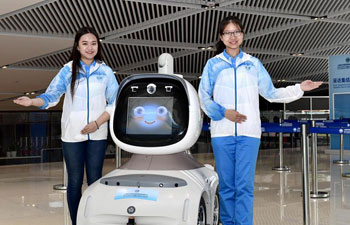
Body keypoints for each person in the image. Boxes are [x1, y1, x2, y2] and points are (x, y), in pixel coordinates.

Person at [198, 16, 322, 225]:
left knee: (244, 186)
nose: (233, 37)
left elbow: (271, 93)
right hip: (222, 133)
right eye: (228, 33)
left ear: (243, 34)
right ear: (221, 37)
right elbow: (203, 97)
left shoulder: (254, 64)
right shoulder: (213, 65)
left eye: (237, 31)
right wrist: (223, 112)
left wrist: (299, 88)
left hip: (249, 134)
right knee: (227, 186)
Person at [13, 27, 119, 225]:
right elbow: (51, 96)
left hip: (97, 134)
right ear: (77, 47)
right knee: (75, 182)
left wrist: (97, 123)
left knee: (95, 180)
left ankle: (95, 220)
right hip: (72, 135)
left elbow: (115, 101)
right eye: (85, 43)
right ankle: (77, 222)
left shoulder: (105, 72)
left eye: (93, 43)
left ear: (98, 46)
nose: (90, 47)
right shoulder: (67, 70)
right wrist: (32, 102)